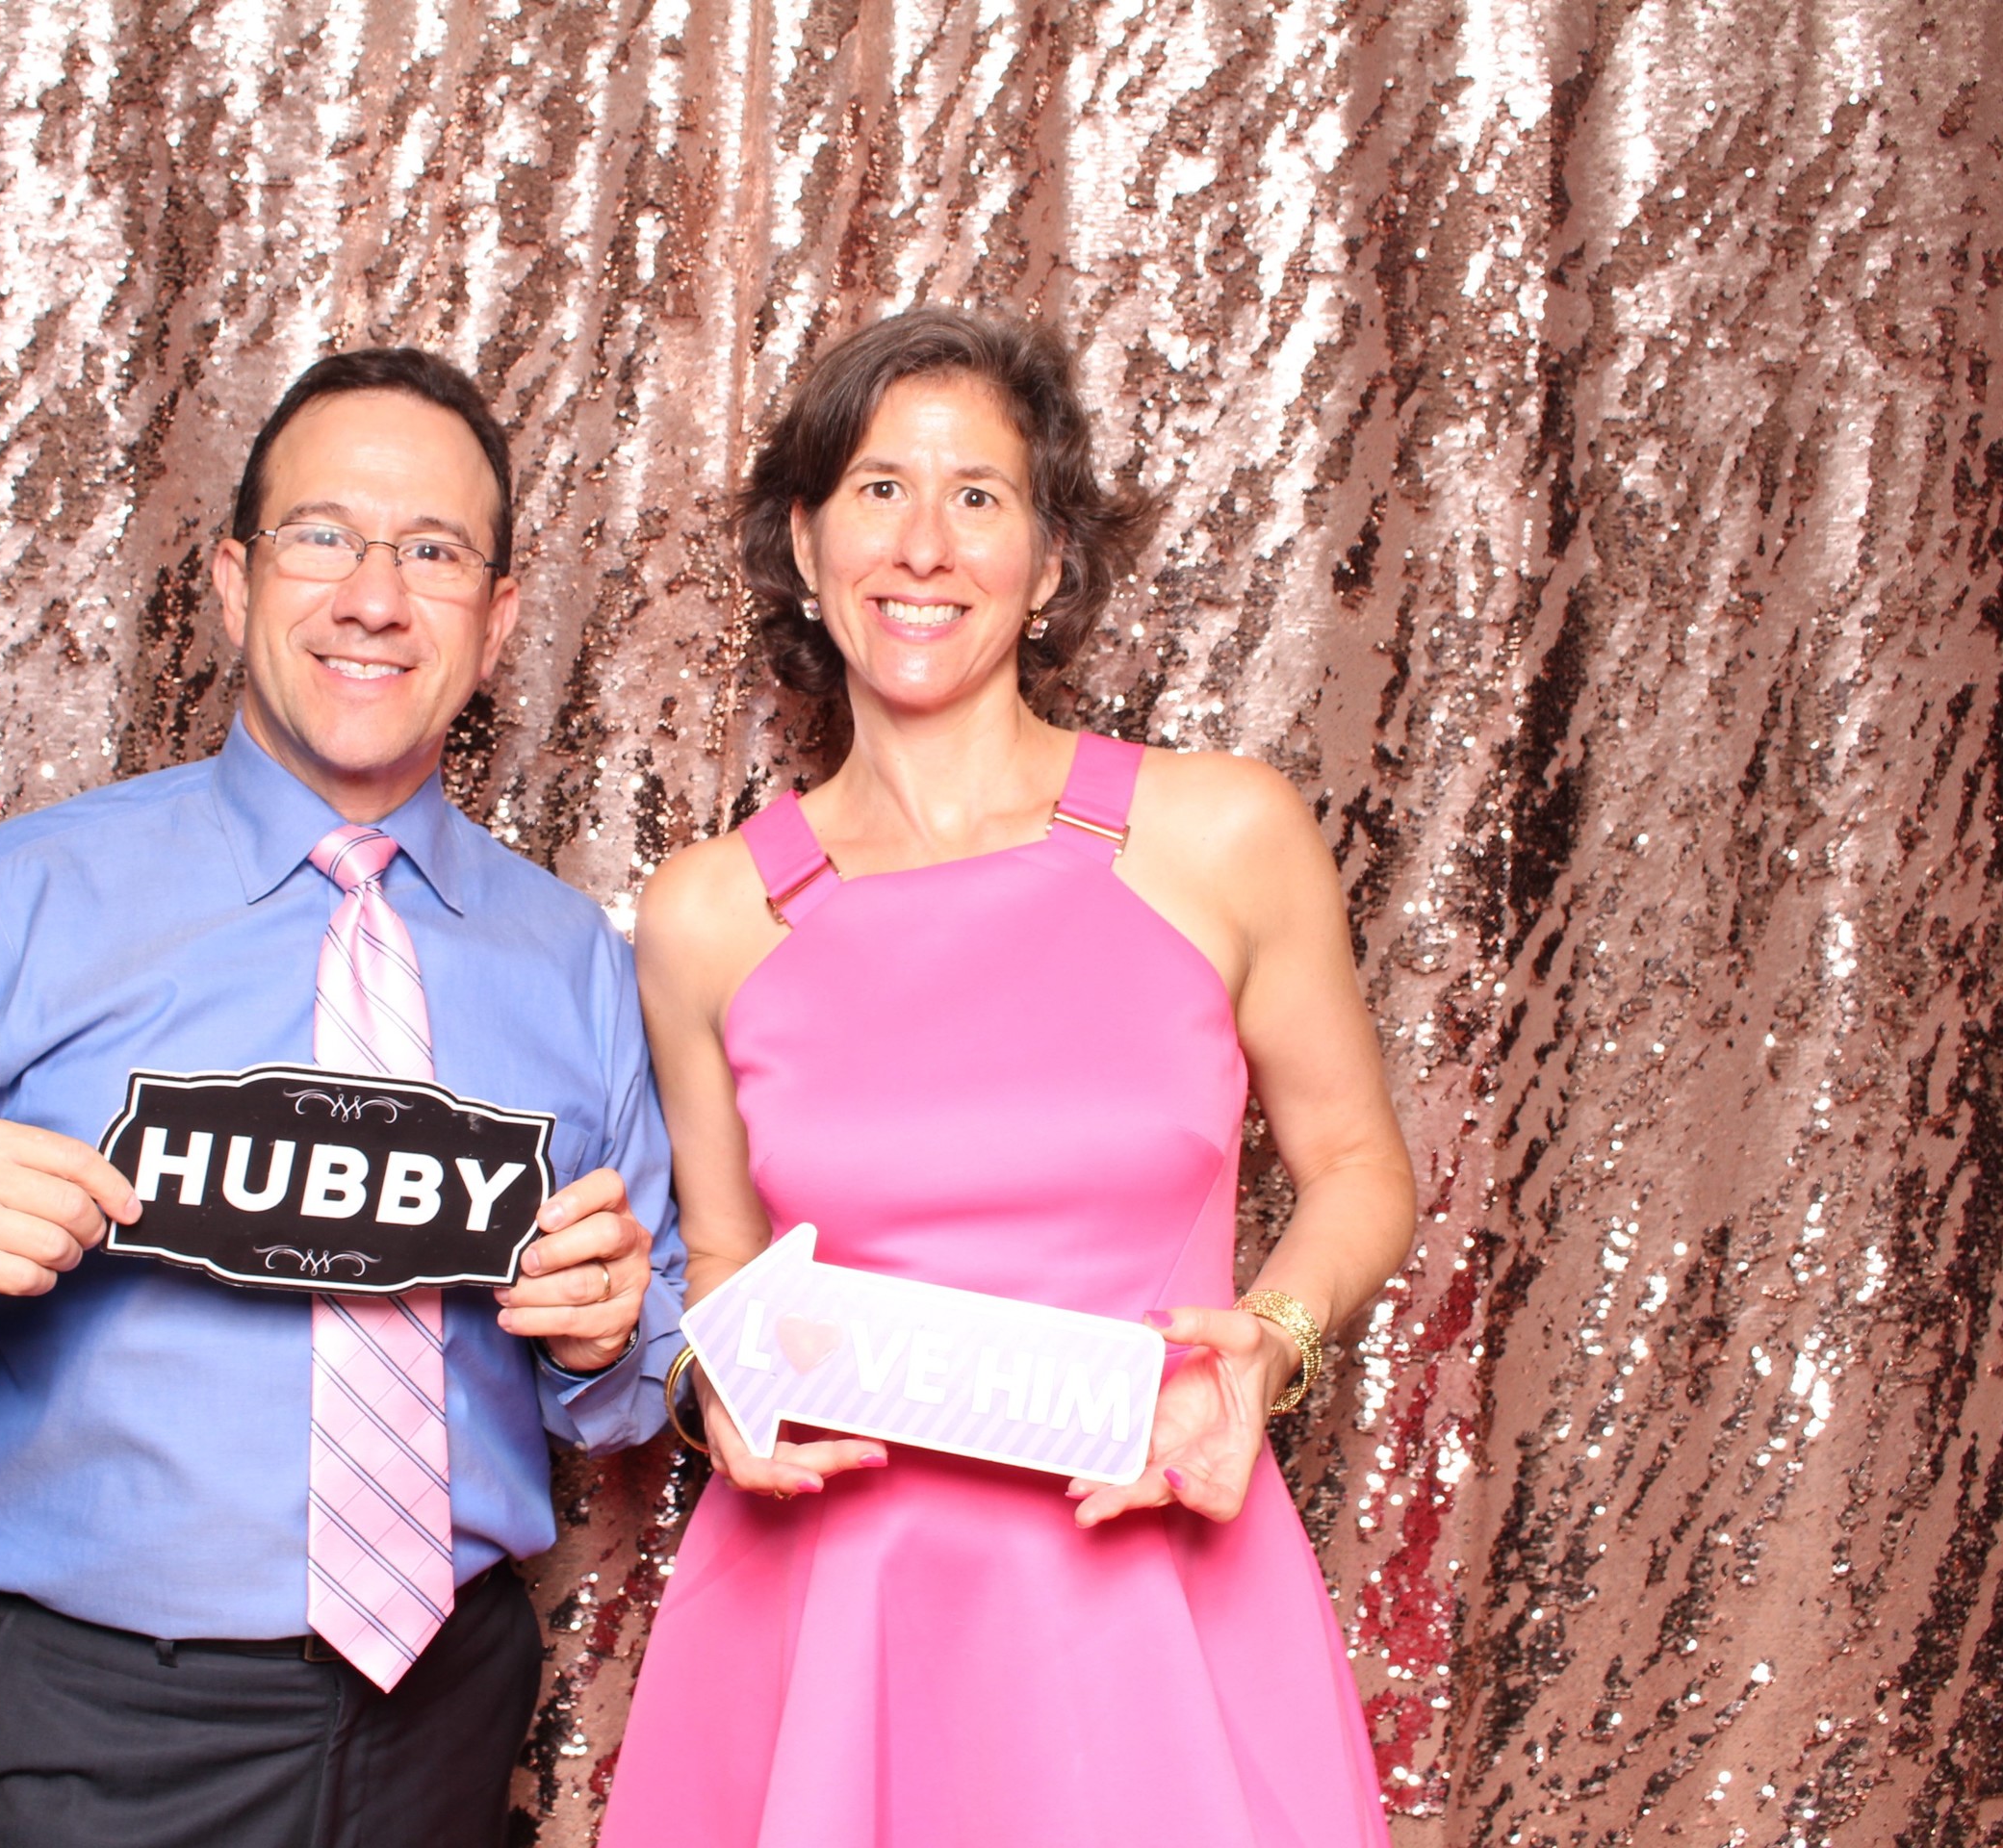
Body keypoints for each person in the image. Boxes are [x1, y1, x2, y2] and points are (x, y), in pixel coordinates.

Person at [0, 347, 687, 1848]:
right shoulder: (22, 900)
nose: (374, 597)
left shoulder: (572, 960)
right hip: (94, 1722)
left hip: (444, 1708)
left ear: (497, 621)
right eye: (324, 535)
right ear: (236, 585)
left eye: (433, 553)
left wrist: (610, 1333)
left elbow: (641, 1367)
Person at [603, 310, 1415, 1845]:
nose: (924, 543)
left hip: (1148, 1591)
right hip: (830, 1608)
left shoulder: (1221, 835)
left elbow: (1363, 1171)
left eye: (977, 495)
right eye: (878, 488)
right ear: (806, 542)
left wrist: (1274, 1341)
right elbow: (719, 1259)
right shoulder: (710, 910)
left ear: (1048, 565)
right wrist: (717, 1393)